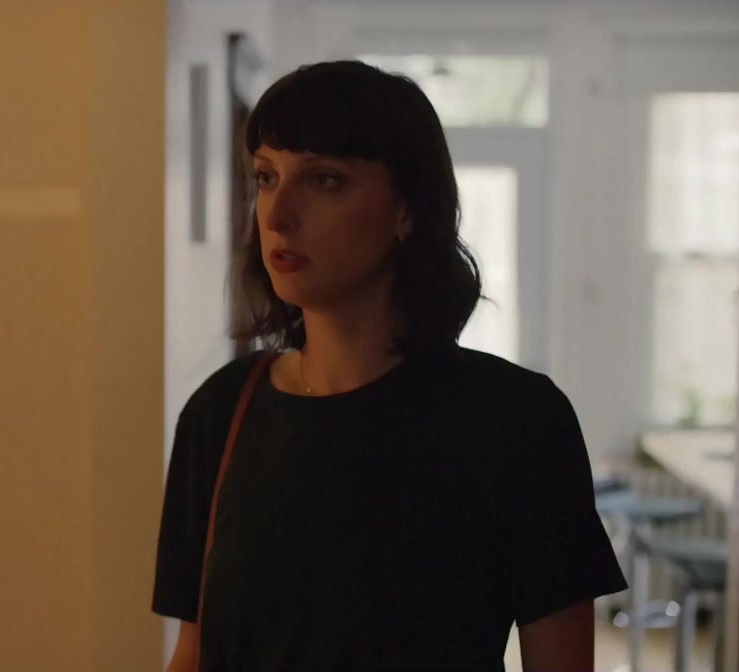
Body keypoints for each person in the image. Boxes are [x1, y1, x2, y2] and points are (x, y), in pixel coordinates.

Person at [153, 60, 627, 672]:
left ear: (407, 210)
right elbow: (193, 653)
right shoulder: (222, 411)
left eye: (324, 180)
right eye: (267, 177)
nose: (277, 214)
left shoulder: (515, 421)